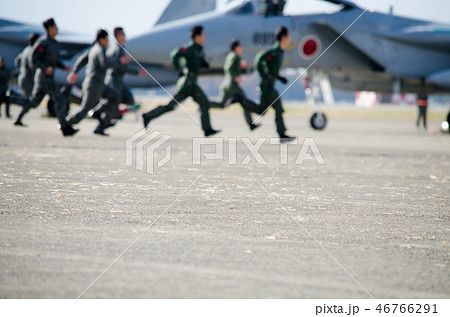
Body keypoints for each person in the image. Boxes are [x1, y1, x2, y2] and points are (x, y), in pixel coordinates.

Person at [142, 25, 220, 137]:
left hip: (189, 83)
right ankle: (207, 129)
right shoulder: (190, 48)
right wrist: (178, 70)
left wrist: (203, 63)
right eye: (203, 34)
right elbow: (174, 55)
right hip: (189, 83)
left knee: (171, 106)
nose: (205, 37)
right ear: (197, 37)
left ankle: (148, 115)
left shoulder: (199, 49)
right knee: (204, 103)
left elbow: (198, 61)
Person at [15, 18, 77, 136]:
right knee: (59, 99)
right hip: (43, 77)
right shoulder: (43, 42)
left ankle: (7, 98)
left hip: (48, 77)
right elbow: (34, 58)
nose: (57, 29)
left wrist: (62, 66)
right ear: (50, 29)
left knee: (33, 102)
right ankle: (65, 127)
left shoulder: (54, 42)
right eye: (55, 27)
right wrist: (44, 68)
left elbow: (52, 60)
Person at [66, 29, 130, 136]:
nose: (108, 42)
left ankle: (97, 114)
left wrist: (75, 71)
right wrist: (119, 61)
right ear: (102, 39)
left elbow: (82, 60)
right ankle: (66, 123)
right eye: (107, 39)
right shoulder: (99, 50)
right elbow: (104, 64)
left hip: (99, 84)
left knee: (114, 96)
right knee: (85, 108)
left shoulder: (93, 49)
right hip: (94, 84)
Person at [89, 27, 146, 126]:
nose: (124, 36)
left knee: (121, 100)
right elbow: (120, 67)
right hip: (114, 80)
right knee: (114, 101)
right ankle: (98, 115)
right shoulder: (116, 49)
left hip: (118, 80)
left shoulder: (119, 48)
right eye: (122, 34)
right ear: (117, 36)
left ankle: (102, 122)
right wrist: (137, 72)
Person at [210, 40, 262, 130]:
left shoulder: (230, 56)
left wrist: (241, 67)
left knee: (221, 104)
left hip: (225, 84)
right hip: (232, 84)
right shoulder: (235, 56)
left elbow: (230, 67)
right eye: (240, 47)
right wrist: (235, 77)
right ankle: (251, 124)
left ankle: (205, 105)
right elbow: (229, 68)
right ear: (236, 48)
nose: (241, 49)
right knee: (244, 101)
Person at [254, 26, 295, 142]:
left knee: (261, 110)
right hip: (267, 86)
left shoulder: (280, 52)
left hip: (269, 85)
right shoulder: (275, 51)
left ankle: (241, 100)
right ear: (283, 37)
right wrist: (264, 75)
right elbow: (259, 58)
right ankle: (282, 134)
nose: (290, 38)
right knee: (278, 107)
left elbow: (272, 69)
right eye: (289, 36)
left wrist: (279, 77)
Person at [15, 32, 40, 97]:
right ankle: (12, 95)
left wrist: (21, 69)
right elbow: (33, 65)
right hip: (29, 78)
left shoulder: (26, 49)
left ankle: (12, 95)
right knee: (27, 100)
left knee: (25, 98)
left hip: (22, 76)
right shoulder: (33, 51)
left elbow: (17, 61)